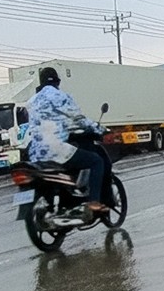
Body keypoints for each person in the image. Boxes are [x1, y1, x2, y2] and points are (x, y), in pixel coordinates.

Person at [25, 66, 107, 217]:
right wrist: (98, 128)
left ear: (41, 82)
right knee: (96, 161)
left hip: (34, 153)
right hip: (56, 149)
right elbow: (78, 119)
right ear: (57, 81)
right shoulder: (61, 96)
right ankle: (94, 202)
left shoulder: (30, 102)